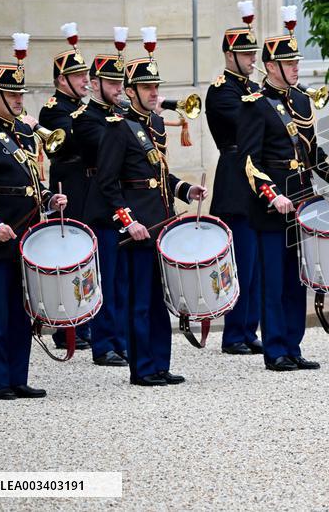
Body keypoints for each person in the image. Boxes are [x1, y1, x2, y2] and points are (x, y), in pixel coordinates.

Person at [92, 30, 207, 386]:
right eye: (147, 88)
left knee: (161, 301)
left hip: (161, 226)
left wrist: (187, 189)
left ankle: (160, 363)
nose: (155, 93)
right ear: (130, 91)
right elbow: (107, 184)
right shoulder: (118, 128)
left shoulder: (154, 124)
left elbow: (161, 175)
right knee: (139, 301)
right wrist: (127, 222)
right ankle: (142, 368)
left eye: (156, 87)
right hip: (138, 230)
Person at [0, 42, 69, 400]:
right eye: (10, 94)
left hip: (25, 238)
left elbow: (29, 188)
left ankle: (17, 376)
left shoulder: (20, 135)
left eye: (21, 94)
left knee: (22, 311)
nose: (19, 100)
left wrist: (51, 201)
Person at [239, 28, 329, 372]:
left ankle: (294, 345)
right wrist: (272, 194)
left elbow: (312, 152)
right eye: (288, 62)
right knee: (273, 279)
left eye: (296, 61)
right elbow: (250, 161)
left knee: (298, 277)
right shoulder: (254, 105)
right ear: (270, 66)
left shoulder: (300, 100)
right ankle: (275, 349)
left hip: (302, 202)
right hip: (272, 206)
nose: (296, 67)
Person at [206, 12, 263, 356]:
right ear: (229, 56)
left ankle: (249, 329)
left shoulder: (252, 89)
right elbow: (245, 123)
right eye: (246, 55)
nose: (252, 61)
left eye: (254, 55)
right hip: (235, 177)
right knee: (239, 262)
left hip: (256, 177)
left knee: (255, 263)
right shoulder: (221, 91)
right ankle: (232, 334)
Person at [78, 34, 130, 367]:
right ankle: (103, 343)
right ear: (94, 84)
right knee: (106, 279)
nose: (117, 87)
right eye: (110, 82)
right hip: (102, 209)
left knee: (123, 281)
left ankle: (120, 339)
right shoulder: (85, 119)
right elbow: (111, 153)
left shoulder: (121, 119)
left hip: (125, 206)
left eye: (119, 82)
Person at [40, 24, 92, 350]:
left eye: (86, 75)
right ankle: (68, 328)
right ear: (62, 80)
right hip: (69, 185)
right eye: (79, 76)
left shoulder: (84, 108)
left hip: (92, 184)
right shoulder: (52, 109)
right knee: (70, 256)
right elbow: (66, 143)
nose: (86, 80)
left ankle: (90, 321)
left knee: (91, 255)